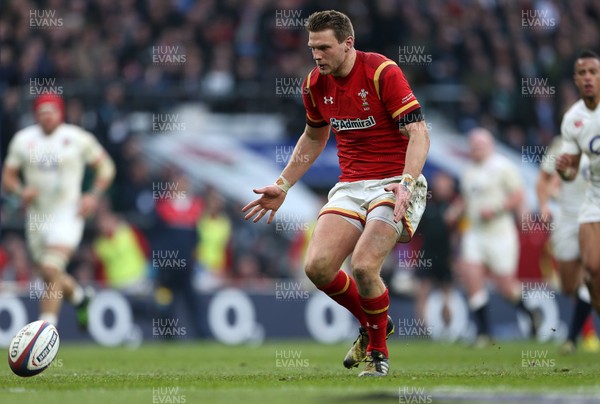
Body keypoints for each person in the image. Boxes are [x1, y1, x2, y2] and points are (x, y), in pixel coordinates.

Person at [243, 10, 429, 377]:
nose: (316, 55)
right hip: (351, 185)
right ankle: (376, 323)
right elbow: (315, 136)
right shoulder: (314, 83)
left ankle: (378, 354)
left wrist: (407, 183)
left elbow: (419, 132)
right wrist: (283, 185)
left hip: (394, 182)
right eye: (312, 47)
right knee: (317, 267)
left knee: (363, 266)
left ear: (348, 44)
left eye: (324, 47)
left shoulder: (381, 72)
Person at [2, 94, 115, 329]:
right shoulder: (23, 140)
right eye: (42, 112)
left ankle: (45, 332)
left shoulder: (77, 138)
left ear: (60, 113)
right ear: (36, 115)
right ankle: (81, 298)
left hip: (68, 214)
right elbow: (8, 176)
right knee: (48, 274)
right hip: (37, 216)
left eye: (51, 111)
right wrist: (20, 191)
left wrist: (93, 195)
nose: (47, 116)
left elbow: (106, 167)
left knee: (52, 268)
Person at [449, 128, 537, 346]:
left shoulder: (503, 166)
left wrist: (496, 209)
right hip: (475, 233)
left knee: (505, 286)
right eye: (473, 145)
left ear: (489, 145)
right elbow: (467, 199)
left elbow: (519, 195)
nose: (475, 149)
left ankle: (530, 314)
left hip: (500, 233)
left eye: (479, 145)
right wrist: (455, 211)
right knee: (472, 279)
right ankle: (484, 333)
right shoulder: (468, 170)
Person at [536, 137, 598, 353]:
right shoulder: (562, 144)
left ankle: (573, 338)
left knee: (592, 270)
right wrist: (546, 203)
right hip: (567, 220)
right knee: (570, 285)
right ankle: (584, 333)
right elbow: (548, 181)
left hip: (593, 218)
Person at [556, 50, 600, 318]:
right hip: (594, 196)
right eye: (582, 73)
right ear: (575, 79)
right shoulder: (573, 118)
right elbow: (571, 171)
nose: (588, 78)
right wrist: (564, 171)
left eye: (593, 72)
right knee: (592, 270)